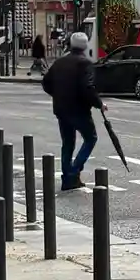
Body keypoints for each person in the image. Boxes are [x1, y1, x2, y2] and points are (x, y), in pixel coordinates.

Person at [43, 28, 104, 192]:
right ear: (84, 47)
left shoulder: (59, 62)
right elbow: (88, 87)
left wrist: (58, 94)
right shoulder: (85, 63)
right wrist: (99, 104)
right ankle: (73, 172)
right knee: (90, 138)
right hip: (79, 109)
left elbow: (46, 83)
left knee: (67, 143)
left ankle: (67, 177)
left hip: (61, 109)